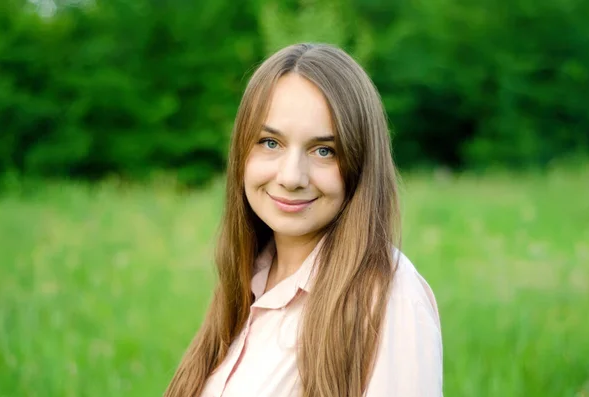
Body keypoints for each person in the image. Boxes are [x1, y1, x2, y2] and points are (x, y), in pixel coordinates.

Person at [164, 43, 443, 397]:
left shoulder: (387, 297)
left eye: (324, 150)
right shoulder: (248, 280)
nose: (292, 176)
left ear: (359, 164)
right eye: (269, 142)